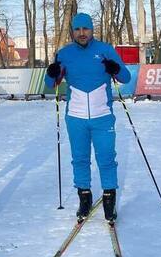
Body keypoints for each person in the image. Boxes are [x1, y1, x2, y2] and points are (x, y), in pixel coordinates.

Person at [44, 13, 131, 223]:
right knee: (80, 159)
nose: (82, 33)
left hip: (102, 116)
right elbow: (50, 84)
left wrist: (115, 68)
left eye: (86, 29)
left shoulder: (105, 50)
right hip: (76, 117)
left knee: (107, 158)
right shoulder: (64, 53)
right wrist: (52, 72)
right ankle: (84, 197)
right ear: (73, 31)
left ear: (92, 30)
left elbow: (126, 78)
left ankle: (109, 200)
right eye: (78, 29)